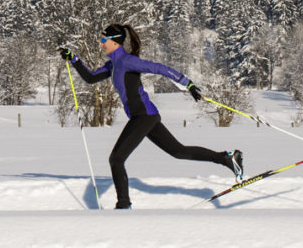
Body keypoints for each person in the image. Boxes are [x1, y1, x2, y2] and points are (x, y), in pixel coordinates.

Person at [60, 23, 243, 209]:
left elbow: (159, 68)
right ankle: (226, 158)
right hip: (145, 117)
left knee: (116, 159)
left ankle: (123, 205)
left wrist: (188, 84)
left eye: (104, 40)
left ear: (115, 42)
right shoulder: (113, 65)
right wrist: (73, 59)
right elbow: (90, 78)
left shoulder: (127, 61)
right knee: (179, 151)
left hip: (144, 116)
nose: (101, 44)